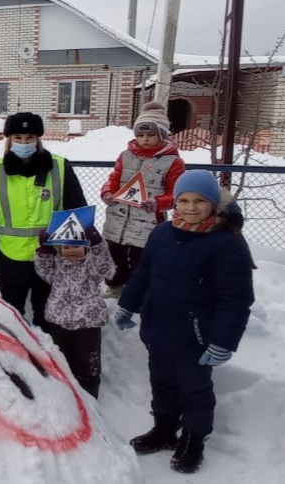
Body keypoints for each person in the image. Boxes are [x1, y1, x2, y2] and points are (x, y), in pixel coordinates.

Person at [113, 169, 255, 474]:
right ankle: (164, 429)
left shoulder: (226, 244)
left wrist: (222, 342)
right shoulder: (162, 233)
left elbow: (237, 300)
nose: (190, 208)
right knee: (161, 382)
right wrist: (127, 305)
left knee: (194, 389)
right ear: (174, 203)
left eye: (200, 201)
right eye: (184, 200)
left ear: (214, 204)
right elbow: (143, 274)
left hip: (197, 336)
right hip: (157, 327)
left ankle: (194, 439)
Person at [0, 112, 87, 333]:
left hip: (50, 257)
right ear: (8, 140)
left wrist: (73, 252)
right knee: (12, 316)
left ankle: (47, 357)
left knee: (47, 316)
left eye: (29, 137)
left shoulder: (61, 167)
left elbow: (76, 210)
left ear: (38, 140)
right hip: (9, 258)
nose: (24, 143)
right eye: (18, 137)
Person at [100, 101, 185, 299]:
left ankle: (138, 291)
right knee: (115, 255)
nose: (144, 139)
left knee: (141, 259)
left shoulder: (173, 162)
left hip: (148, 221)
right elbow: (113, 179)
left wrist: (157, 202)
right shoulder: (125, 156)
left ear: (162, 135)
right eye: (140, 135)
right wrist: (107, 193)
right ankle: (114, 286)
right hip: (119, 218)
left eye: (150, 135)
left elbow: (177, 194)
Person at [33, 221, 114, 399]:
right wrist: (45, 250)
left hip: (88, 324)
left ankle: (89, 397)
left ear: (85, 246)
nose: (71, 251)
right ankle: (66, 397)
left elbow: (106, 267)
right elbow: (42, 269)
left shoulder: (91, 267)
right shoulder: (56, 266)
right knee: (62, 361)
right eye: (66, 247)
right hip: (59, 322)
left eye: (77, 246)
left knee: (88, 363)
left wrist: (97, 243)